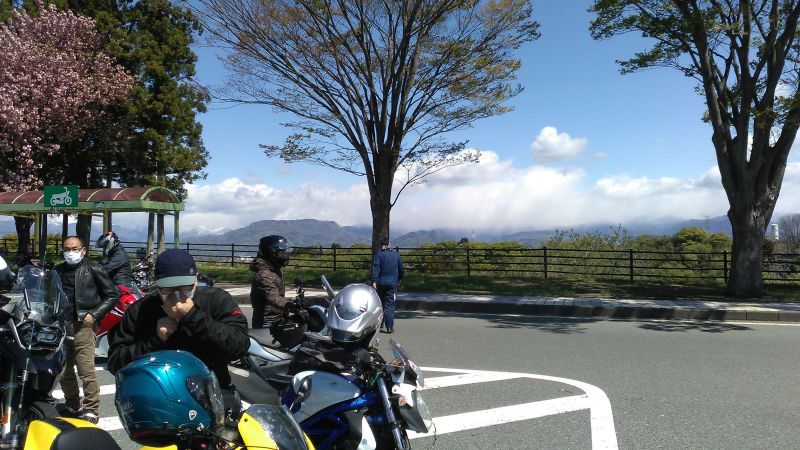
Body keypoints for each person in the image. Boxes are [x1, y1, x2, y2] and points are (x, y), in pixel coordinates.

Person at [107, 248, 249, 413]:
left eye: (184, 287)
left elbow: (239, 345)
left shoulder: (216, 299)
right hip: (159, 401)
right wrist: (155, 340)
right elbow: (116, 362)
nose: (177, 295)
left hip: (213, 395)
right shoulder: (140, 310)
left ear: (195, 280)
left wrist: (193, 317)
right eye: (169, 288)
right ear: (158, 286)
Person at [54, 236, 119, 423]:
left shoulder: (94, 268)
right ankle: (73, 403)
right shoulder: (57, 271)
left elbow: (112, 295)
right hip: (61, 325)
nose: (70, 252)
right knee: (64, 370)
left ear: (83, 250)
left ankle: (91, 409)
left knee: (86, 369)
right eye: (67, 249)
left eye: (74, 248)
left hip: (83, 325)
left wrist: (94, 315)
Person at [249, 235, 291, 329]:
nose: (284, 255)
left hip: (278, 317)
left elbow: (279, 294)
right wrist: (291, 306)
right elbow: (271, 296)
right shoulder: (262, 273)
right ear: (270, 252)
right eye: (281, 252)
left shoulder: (274, 269)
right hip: (267, 321)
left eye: (284, 252)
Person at [370, 236, 404, 334]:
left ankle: (379, 324)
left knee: (380, 304)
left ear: (381, 244)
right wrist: (399, 279)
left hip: (380, 283)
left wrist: (374, 281)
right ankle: (389, 327)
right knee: (389, 305)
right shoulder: (396, 255)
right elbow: (401, 270)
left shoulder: (379, 255)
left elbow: (375, 268)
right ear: (389, 244)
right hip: (392, 284)